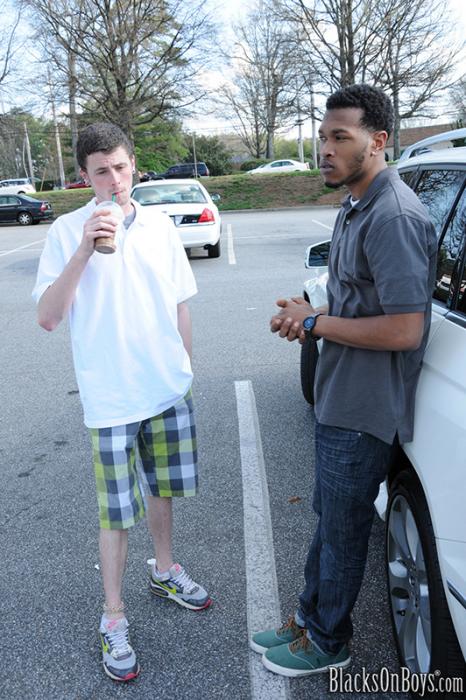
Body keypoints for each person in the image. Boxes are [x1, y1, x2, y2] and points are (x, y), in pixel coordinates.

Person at [251, 84, 437, 677]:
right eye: (322, 137)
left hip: (365, 406)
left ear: (377, 141)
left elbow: (406, 328)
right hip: (340, 393)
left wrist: (317, 322)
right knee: (329, 523)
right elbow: (360, 303)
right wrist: (310, 315)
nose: (324, 150)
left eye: (340, 137)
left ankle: (329, 641)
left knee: (344, 529)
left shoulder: (393, 215)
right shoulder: (356, 205)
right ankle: (308, 619)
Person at [32, 122, 211, 683]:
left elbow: (180, 303)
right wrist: (86, 248)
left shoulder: (159, 226)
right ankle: (113, 615)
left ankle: (165, 569)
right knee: (116, 513)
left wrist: (185, 368)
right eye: (101, 171)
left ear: (133, 165)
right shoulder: (66, 231)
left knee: (162, 490)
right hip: (111, 398)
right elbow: (48, 317)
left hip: (166, 388)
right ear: (83, 176)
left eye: (120, 167)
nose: (113, 179)